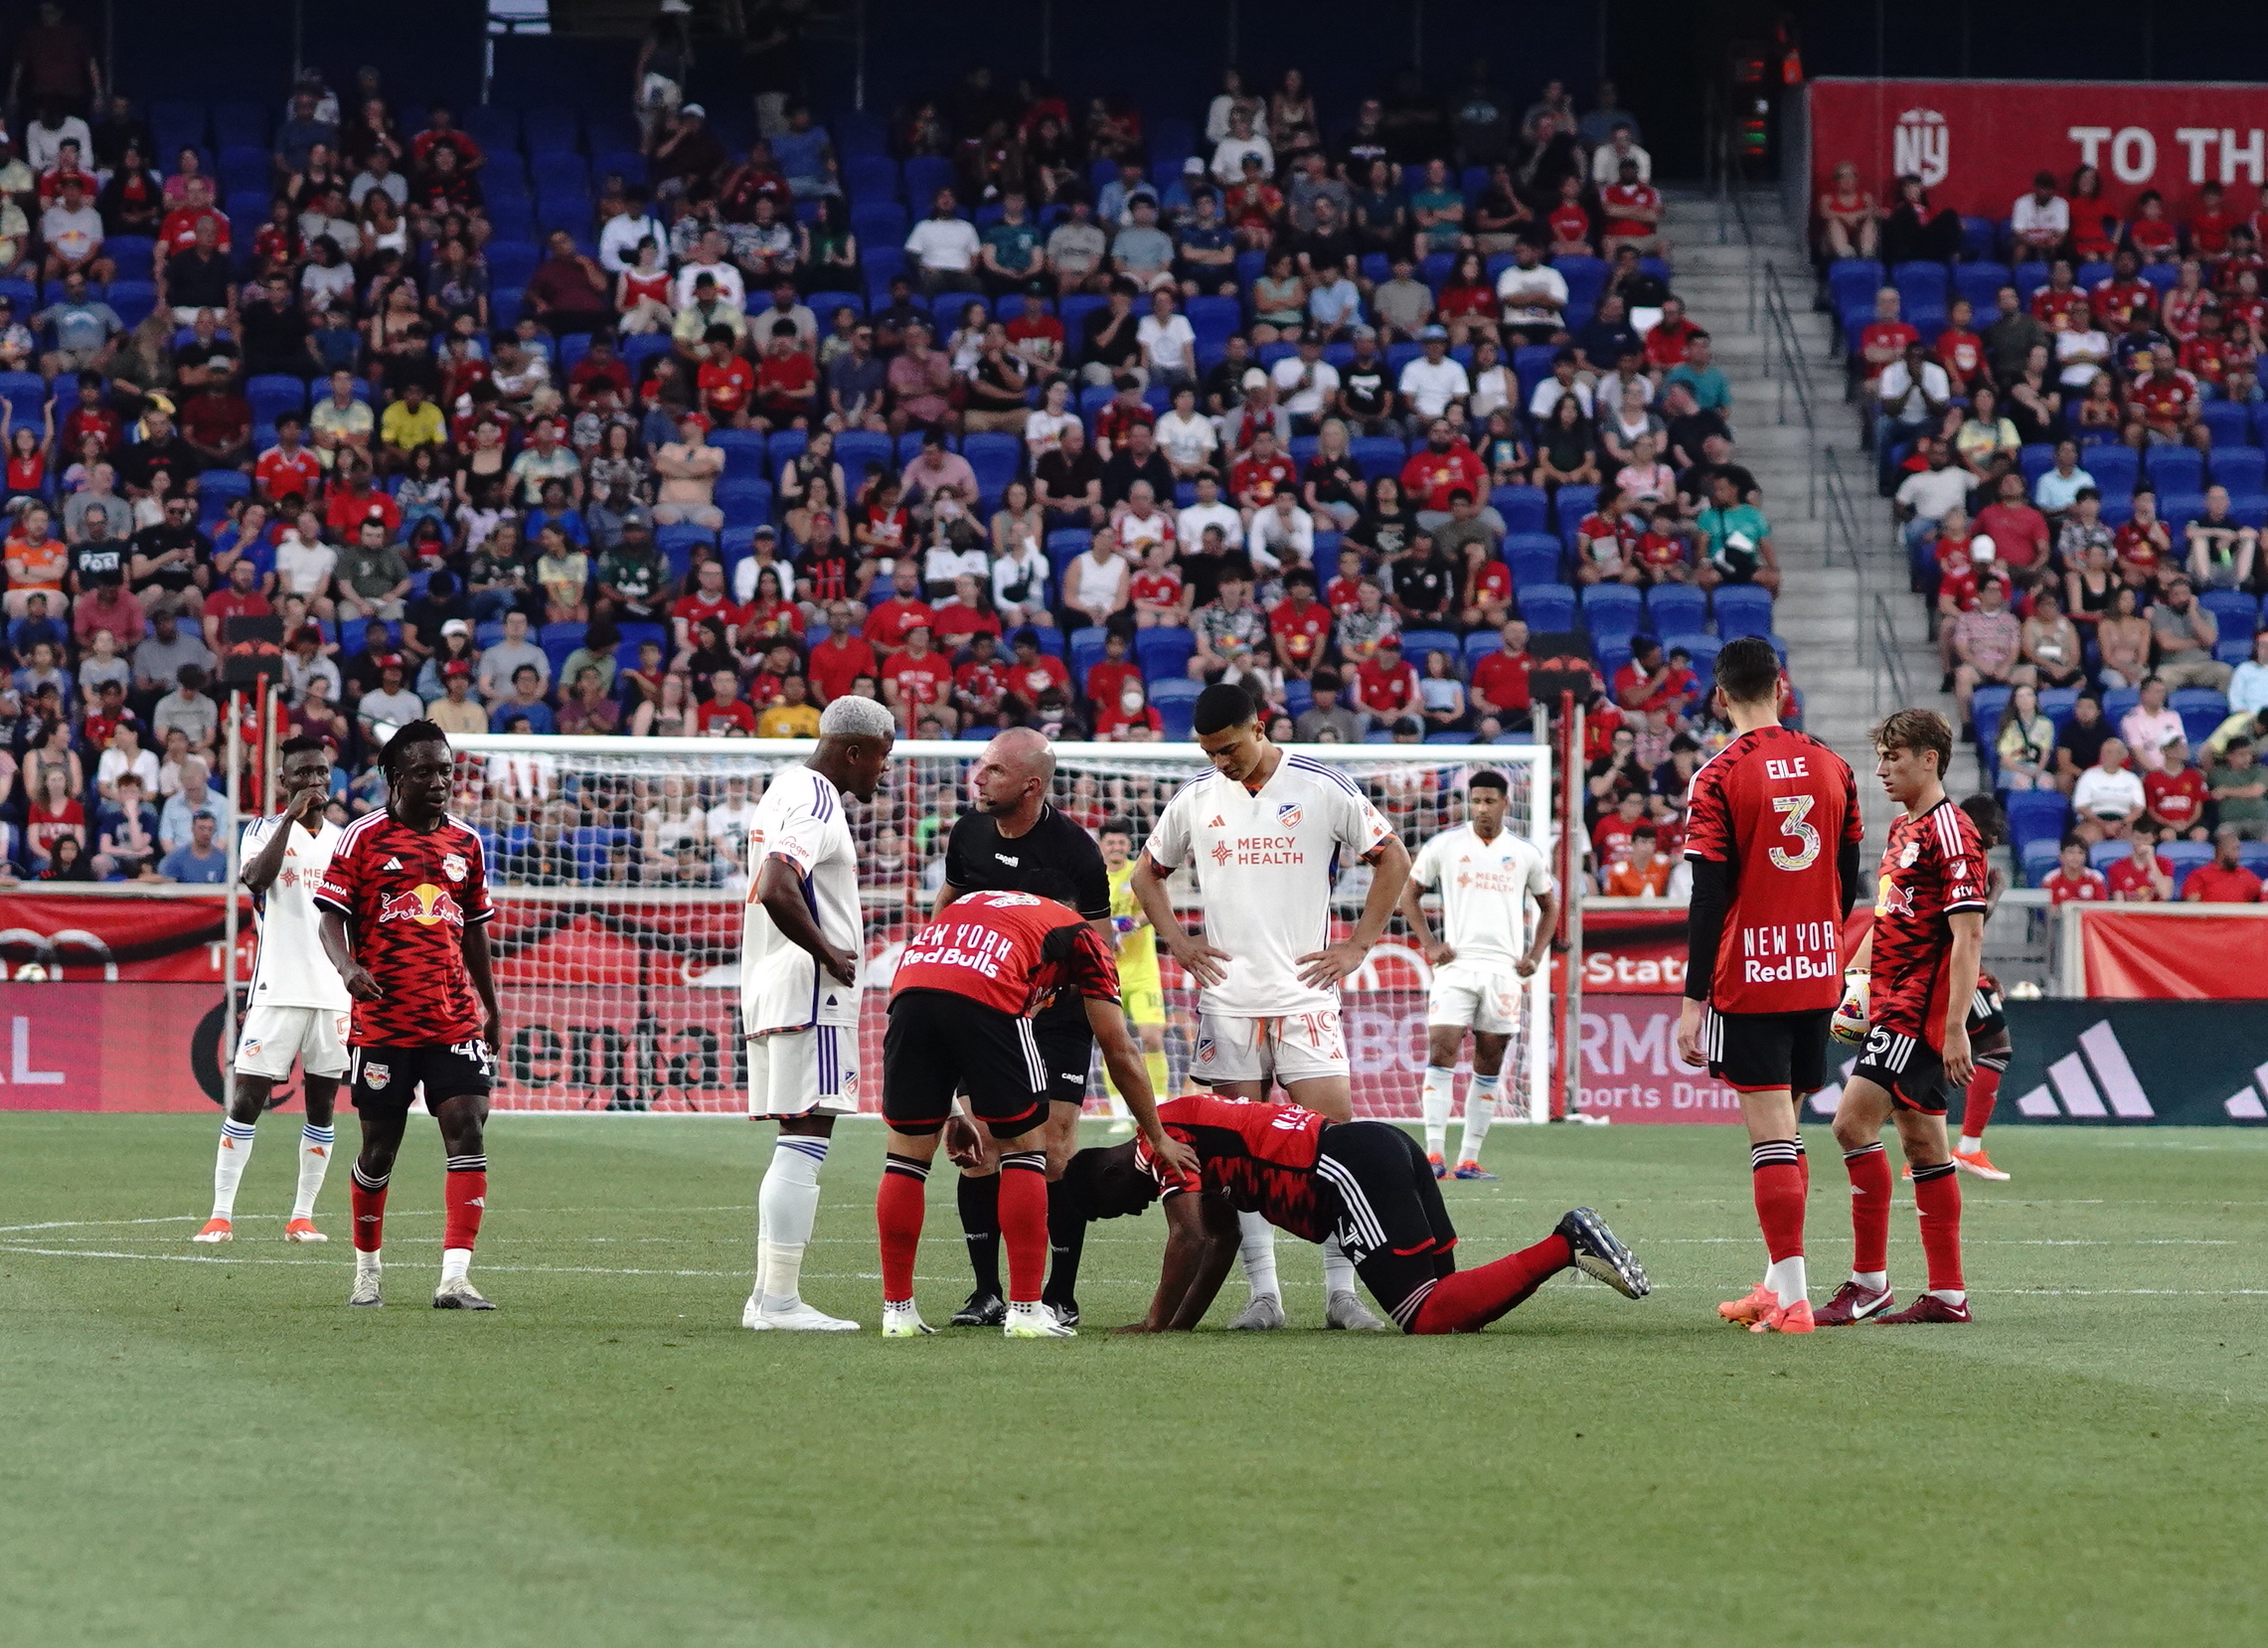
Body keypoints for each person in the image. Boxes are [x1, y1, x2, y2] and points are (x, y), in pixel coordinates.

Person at [1130, 683, 1414, 1332]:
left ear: (1259, 727)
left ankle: (1343, 1294)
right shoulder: (1197, 799)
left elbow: (1391, 856)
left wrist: (1358, 945)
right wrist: (1176, 940)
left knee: (1336, 1144)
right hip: (1226, 1003)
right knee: (1237, 1155)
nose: (1219, 763)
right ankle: (1265, 1296)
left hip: (1304, 996)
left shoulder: (1321, 785)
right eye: (1208, 753)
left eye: (1227, 749)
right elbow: (1147, 874)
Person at [875, 875, 1192, 1339]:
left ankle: (897, 1313)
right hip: (986, 996)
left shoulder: (982, 903)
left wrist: (954, 1113)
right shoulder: (1082, 935)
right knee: (1026, 1148)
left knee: (904, 1158)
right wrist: (1157, 1134)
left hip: (911, 989)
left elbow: (939, 994)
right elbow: (1119, 1049)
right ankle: (1026, 1311)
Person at [1060, 1098, 1649, 1333]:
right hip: (1378, 1144)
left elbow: (1187, 1236)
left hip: (1341, 1170)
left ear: (1110, 1176)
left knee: (1426, 1316)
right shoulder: (1183, 1128)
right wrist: (1178, 1325)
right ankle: (1567, 1243)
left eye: (1117, 1208)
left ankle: (1566, 1242)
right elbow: (1218, 1239)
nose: (1133, 1210)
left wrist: (1152, 1324)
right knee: (1451, 1303)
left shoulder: (1151, 1145)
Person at [1669, 638, 1864, 1335]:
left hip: (1751, 974)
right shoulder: (1834, 765)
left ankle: (1795, 1301)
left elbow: (1708, 895)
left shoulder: (1719, 775)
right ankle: (1777, 1283)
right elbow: (1849, 883)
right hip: (1816, 969)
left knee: (1770, 1138)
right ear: (1782, 687)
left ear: (1720, 696)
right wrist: (1817, 945)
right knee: (1789, 1131)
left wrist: (1694, 1001)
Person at [313, 723, 503, 1311]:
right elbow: (329, 919)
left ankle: (454, 1278)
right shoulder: (361, 838)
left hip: (452, 1018)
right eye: (425, 770)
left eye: (446, 769)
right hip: (384, 1022)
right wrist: (346, 969)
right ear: (396, 777)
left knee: (468, 1128)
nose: (440, 781)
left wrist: (490, 1005)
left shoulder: (466, 844)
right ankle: (367, 1268)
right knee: (379, 1150)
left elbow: (474, 929)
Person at [931, 728, 1112, 1328]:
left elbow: (1098, 950)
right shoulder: (968, 833)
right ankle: (987, 1292)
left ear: (1031, 785)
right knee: (980, 1144)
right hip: (983, 1009)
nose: (977, 779)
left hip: (1055, 1014)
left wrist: (1057, 993)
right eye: (978, 767)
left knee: (1053, 1150)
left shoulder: (1076, 853)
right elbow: (949, 906)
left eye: (993, 771)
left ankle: (1059, 1294)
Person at [1817, 709, 1987, 1326]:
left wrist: (1955, 1025)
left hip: (1919, 1011)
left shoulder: (1954, 834)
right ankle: (1948, 1295)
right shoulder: (1902, 828)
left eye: (1895, 756)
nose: (1883, 768)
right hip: (1889, 1002)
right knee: (1921, 1142)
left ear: (1929, 759)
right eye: (1882, 756)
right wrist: (1854, 985)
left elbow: (1967, 940)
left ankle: (1869, 1284)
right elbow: (1887, 918)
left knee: (1849, 1126)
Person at [734, 695, 896, 1333]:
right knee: (808, 1136)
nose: (883, 771)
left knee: (797, 1137)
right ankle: (776, 1302)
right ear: (852, 751)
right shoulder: (820, 800)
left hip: (777, 984)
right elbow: (777, 883)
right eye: (881, 757)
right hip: (812, 992)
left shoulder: (782, 790)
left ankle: (769, 1298)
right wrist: (828, 949)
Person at [192, 738, 348, 1244]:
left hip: (333, 993)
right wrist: (290, 820)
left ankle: (302, 1216)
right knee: (246, 1102)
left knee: (323, 1105)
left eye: (321, 773)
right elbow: (256, 880)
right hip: (277, 989)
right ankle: (220, 1215)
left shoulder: (345, 841)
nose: (314, 782)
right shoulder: (260, 830)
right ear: (284, 782)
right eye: (302, 774)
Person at [1396, 770, 1558, 1181]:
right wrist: (1430, 945)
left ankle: (1469, 1158)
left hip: (1504, 970)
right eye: (1476, 801)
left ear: (1506, 802)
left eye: (1489, 801)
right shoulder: (1444, 845)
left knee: (1489, 1058)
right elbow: (1408, 896)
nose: (1482, 808)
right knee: (1442, 1049)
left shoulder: (1524, 853)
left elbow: (1550, 906)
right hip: (1457, 965)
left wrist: (1535, 955)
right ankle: (1434, 1155)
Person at [1941, 794, 2016, 1183]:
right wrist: (1997, 891)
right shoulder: (1962, 852)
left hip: (1951, 965)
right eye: (1993, 828)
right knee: (1996, 1046)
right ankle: (1965, 1149)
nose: (1998, 836)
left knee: (1923, 1057)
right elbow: (1964, 918)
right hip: (1946, 968)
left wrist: (1981, 967)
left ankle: (1928, 1154)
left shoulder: (1960, 847)